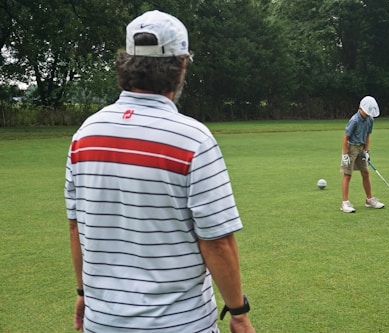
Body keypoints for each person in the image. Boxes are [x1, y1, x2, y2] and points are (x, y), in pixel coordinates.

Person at [65, 10, 255, 333]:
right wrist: (238, 312)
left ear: (125, 63)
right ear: (181, 66)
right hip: (181, 325)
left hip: (103, 323)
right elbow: (217, 243)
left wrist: (83, 292)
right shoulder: (194, 140)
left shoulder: (84, 135)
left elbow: (76, 227)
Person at [339, 96, 384, 213]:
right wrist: (345, 155)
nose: (369, 114)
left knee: (365, 173)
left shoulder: (370, 120)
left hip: (362, 148)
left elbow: (368, 136)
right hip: (351, 148)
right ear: (361, 108)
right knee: (347, 174)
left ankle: (369, 199)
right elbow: (345, 137)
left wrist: (367, 151)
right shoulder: (354, 120)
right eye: (367, 111)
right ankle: (345, 203)